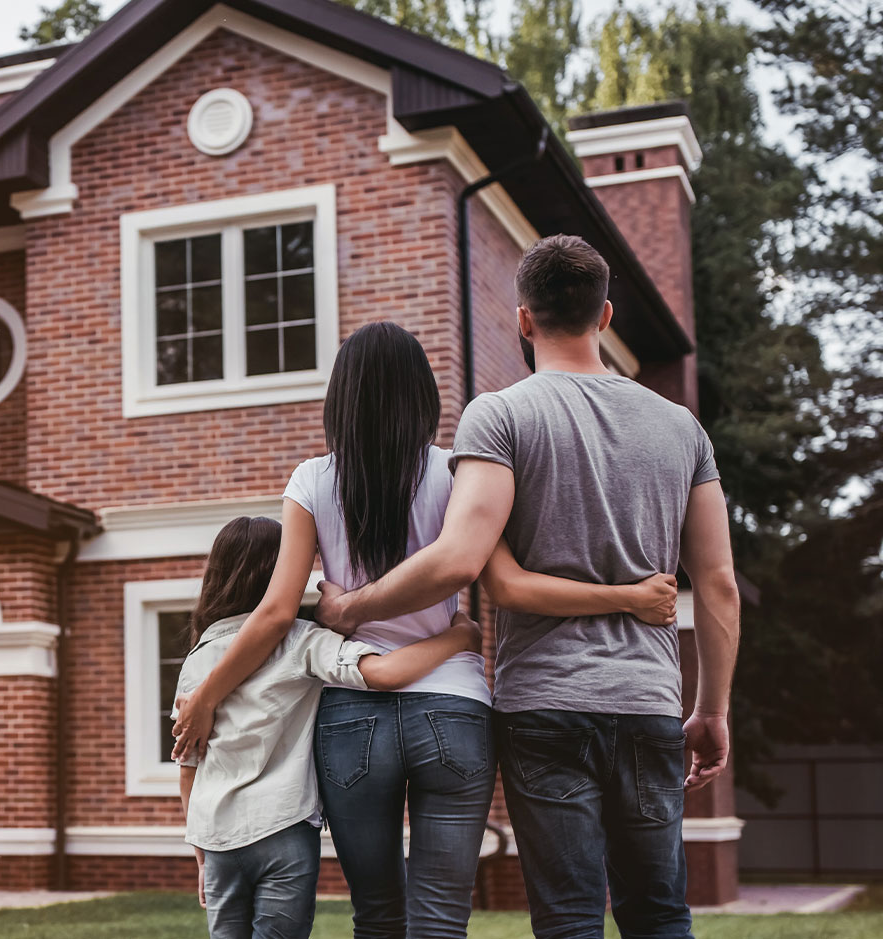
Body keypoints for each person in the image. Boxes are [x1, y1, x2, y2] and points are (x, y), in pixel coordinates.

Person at [173, 321, 680, 938]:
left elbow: (276, 613)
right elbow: (494, 576)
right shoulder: (460, 472)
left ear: (341, 397)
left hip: (352, 715)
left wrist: (205, 696)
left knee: (378, 918)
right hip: (453, 707)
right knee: (440, 921)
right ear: (423, 396)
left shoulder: (312, 480)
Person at [312, 235, 741, 939]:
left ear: (522, 319)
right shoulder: (682, 428)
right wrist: (712, 708)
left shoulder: (500, 414)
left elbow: (461, 561)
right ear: (605, 315)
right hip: (647, 701)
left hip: (543, 706)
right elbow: (718, 583)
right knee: (660, 911)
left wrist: (350, 606)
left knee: (570, 917)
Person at [176, 515, 482, 939]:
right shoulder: (302, 641)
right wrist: (460, 637)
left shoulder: (197, 659)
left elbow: (188, 766)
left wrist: (200, 852)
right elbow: (384, 673)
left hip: (216, 837)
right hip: (283, 830)